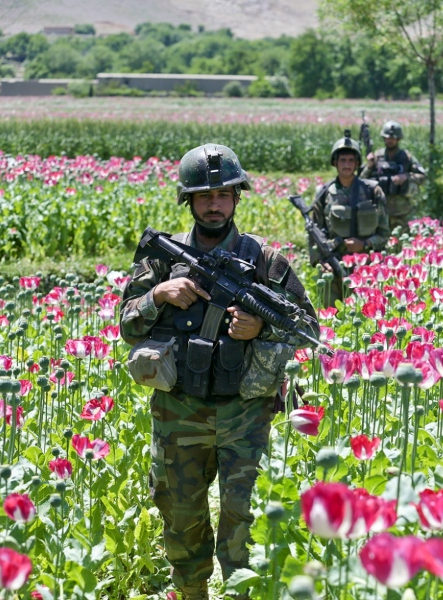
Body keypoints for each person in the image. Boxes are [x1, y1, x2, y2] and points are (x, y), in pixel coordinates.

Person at [119, 144, 319, 600]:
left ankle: (240, 593)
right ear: (188, 201)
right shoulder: (161, 260)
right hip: (178, 411)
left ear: (237, 199)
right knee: (181, 514)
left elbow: (307, 327)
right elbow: (127, 326)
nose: (214, 203)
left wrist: (261, 326)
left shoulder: (267, 262)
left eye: (224, 194)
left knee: (242, 517)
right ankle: (192, 593)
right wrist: (159, 296)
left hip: (245, 413)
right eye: (205, 195)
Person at [309, 131, 389, 308]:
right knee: (331, 313)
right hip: (333, 263)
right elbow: (313, 234)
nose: (347, 164)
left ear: (358, 163)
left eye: (351, 160)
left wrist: (365, 244)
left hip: (367, 265)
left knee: (367, 313)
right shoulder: (323, 194)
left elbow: (384, 234)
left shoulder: (372, 191)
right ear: (335, 163)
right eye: (343, 160)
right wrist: (321, 261)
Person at [359, 120, 426, 236]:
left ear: (398, 139)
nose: (390, 140)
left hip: (401, 210)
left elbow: (423, 176)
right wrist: (369, 166)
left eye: (393, 138)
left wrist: (407, 176)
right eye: (387, 137)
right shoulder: (376, 156)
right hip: (379, 209)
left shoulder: (406, 157)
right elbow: (361, 179)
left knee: (401, 241)